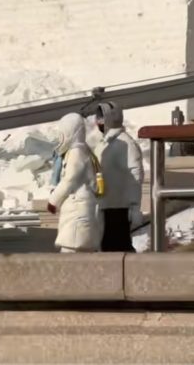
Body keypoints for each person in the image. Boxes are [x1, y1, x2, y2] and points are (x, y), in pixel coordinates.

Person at [47, 112, 101, 253]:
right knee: (81, 250)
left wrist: (53, 201)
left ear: (71, 132)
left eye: (63, 133)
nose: (60, 138)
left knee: (70, 250)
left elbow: (69, 179)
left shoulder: (76, 152)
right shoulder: (83, 150)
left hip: (77, 210)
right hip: (79, 208)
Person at [94, 101, 144, 252]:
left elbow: (135, 175)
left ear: (111, 117)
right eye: (97, 118)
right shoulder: (104, 143)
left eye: (102, 117)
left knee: (118, 252)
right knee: (107, 251)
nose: (98, 122)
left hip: (119, 209)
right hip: (104, 207)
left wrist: (134, 207)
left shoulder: (127, 143)